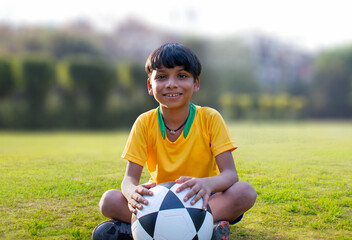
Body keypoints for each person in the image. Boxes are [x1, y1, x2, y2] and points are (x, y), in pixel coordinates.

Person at [92, 43, 257, 240]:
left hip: (202, 200)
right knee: (108, 201)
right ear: (150, 86)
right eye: (161, 77)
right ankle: (203, 230)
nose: (171, 84)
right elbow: (129, 179)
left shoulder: (210, 118)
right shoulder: (144, 123)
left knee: (245, 192)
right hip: (158, 203)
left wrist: (207, 184)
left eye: (182, 76)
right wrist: (132, 192)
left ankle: (141, 230)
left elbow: (230, 175)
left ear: (196, 83)